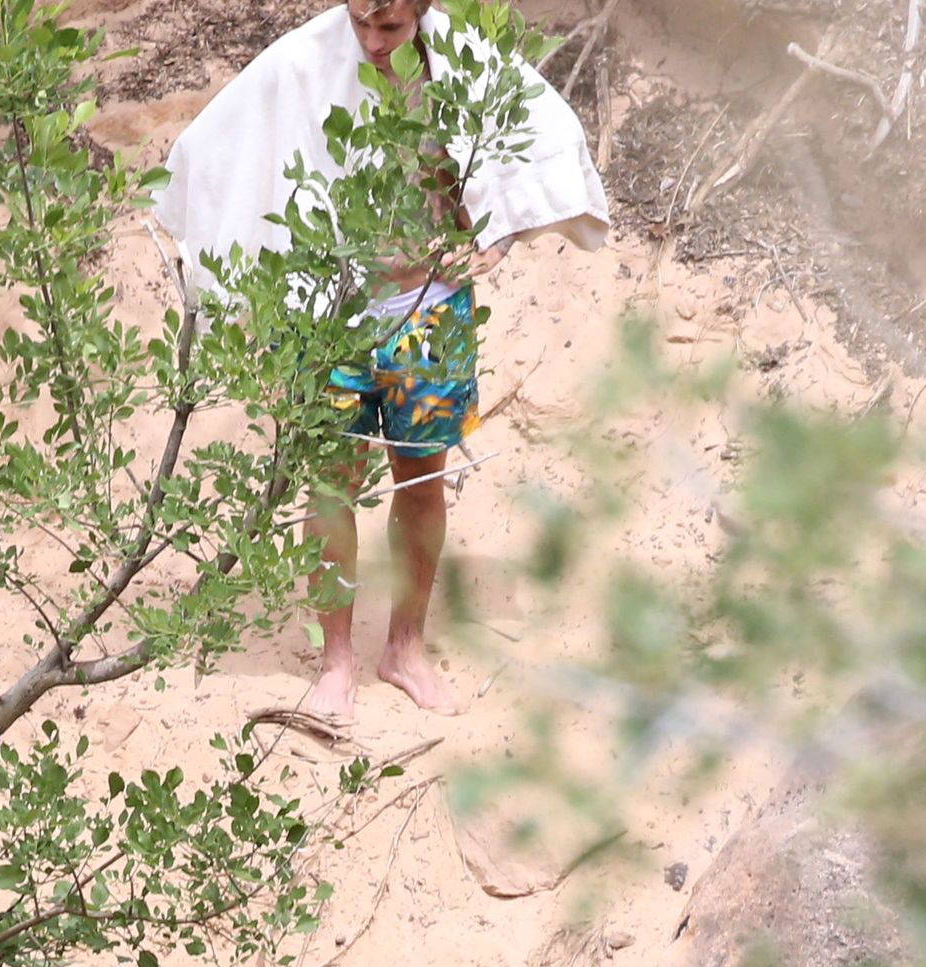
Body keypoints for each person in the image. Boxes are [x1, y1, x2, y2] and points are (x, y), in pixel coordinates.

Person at [153, 0, 610, 725]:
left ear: (420, 10)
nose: (371, 41)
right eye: (362, 22)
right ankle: (336, 660)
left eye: (390, 28)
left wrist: (496, 235)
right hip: (327, 315)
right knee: (330, 483)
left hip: (428, 312)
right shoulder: (302, 61)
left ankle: (403, 648)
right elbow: (214, 152)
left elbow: (540, 138)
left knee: (422, 481)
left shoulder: (459, 64)